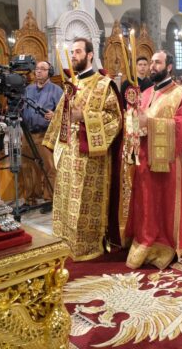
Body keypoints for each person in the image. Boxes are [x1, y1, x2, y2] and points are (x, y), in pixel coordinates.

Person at [43, 37, 122, 261]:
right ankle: (64, 241)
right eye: (72, 52)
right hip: (68, 154)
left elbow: (115, 119)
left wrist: (85, 117)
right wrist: (50, 145)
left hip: (91, 157)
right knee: (66, 200)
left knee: (84, 204)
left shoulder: (104, 85)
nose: (74, 56)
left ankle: (87, 246)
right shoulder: (71, 85)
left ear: (90, 55)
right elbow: (60, 116)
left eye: (78, 51)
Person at [123, 50, 182, 269]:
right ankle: (144, 240)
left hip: (168, 164)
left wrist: (150, 123)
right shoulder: (145, 93)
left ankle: (164, 244)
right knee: (145, 203)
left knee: (163, 205)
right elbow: (135, 124)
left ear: (169, 67)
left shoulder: (180, 94)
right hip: (144, 159)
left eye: (158, 63)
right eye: (151, 62)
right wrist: (133, 121)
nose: (153, 66)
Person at [20, 61, 63, 209]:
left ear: (49, 72)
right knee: (28, 167)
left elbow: (64, 111)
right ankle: (30, 198)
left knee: (50, 167)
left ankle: (49, 199)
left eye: (42, 69)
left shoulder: (56, 90)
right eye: (37, 69)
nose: (38, 71)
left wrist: (55, 115)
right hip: (27, 134)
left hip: (46, 134)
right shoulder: (28, 89)